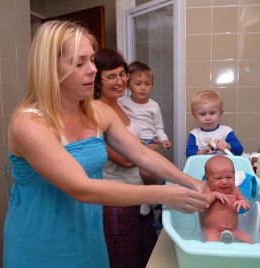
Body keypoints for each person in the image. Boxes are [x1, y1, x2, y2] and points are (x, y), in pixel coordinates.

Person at [3, 21, 208, 268]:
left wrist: (193, 183)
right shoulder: (29, 123)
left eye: (91, 60)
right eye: (79, 63)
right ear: (49, 68)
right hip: (42, 243)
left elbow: (142, 153)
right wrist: (163, 194)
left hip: (88, 237)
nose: (92, 70)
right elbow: (81, 188)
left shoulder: (97, 112)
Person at [93, 49, 175, 267]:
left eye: (121, 74)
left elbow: (147, 143)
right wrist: (150, 149)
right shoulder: (94, 112)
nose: (120, 81)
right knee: (124, 260)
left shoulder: (124, 105)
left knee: (146, 256)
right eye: (111, 76)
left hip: (140, 195)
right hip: (116, 201)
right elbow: (127, 159)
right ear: (97, 81)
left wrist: (151, 147)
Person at [119, 61, 171, 184]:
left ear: (152, 85)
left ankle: (152, 197)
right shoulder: (122, 102)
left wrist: (164, 140)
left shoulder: (154, 106)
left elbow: (158, 128)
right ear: (128, 85)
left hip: (149, 142)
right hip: (131, 143)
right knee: (138, 172)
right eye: (138, 84)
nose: (143, 88)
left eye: (147, 84)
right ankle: (148, 197)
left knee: (151, 172)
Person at [202, 155, 252, 243]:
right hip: (212, 230)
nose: (225, 182)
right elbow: (202, 203)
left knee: (248, 239)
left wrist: (243, 202)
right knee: (212, 243)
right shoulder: (208, 190)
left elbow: (247, 204)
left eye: (229, 177)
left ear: (234, 176)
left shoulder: (235, 190)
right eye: (218, 178)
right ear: (207, 179)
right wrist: (214, 195)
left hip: (233, 230)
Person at [186, 89, 243, 158]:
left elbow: (239, 150)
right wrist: (202, 152)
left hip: (223, 166)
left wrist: (227, 146)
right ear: (195, 116)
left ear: (220, 113)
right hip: (201, 167)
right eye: (202, 114)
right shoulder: (194, 134)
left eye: (212, 113)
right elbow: (189, 154)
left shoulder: (226, 131)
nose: (208, 118)